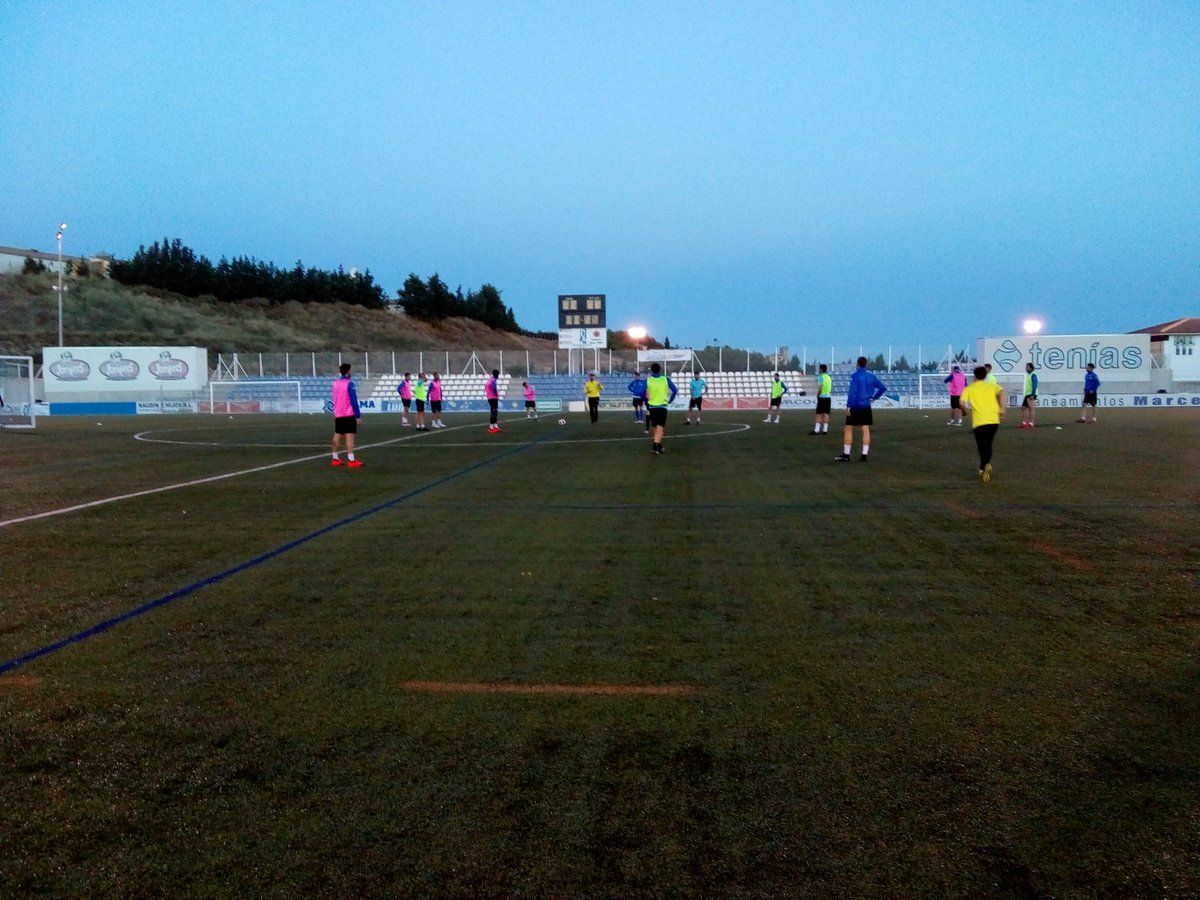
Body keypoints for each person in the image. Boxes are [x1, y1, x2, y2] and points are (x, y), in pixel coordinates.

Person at [960, 365, 1007, 482]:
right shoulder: (992, 386)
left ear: (974, 376)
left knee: (982, 446)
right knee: (989, 443)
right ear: (986, 375)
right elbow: (1002, 393)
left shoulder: (969, 389)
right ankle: (986, 464)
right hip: (993, 420)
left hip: (979, 422)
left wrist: (965, 410)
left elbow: (961, 402)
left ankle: (983, 466)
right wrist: (1002, 409)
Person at [835, 357, 887, 462]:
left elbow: (852, 392)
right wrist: (874, 397)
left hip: (855, 406)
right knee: (865, 430)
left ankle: (846, 455)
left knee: (848, 429)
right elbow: (883, 388)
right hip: (866, 406)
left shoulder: (855, 376)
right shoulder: (871, 376)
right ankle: (864, 456)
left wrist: (848, 406)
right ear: (866, 364)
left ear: (857, 364)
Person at [330, 362, 362, 468]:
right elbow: (353, 400)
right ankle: (351, 460)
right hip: (348, 413)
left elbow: (334, 399)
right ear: (348, 371)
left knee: (337, 435)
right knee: (349, 437)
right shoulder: (350, 384)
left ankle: (335, 459)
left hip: (338, 413)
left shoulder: (335, 384)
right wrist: (357, 415)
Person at [644, 362, 678, 455]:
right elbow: (675, 390)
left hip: (652, 407)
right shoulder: (665, 379)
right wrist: (670, 400)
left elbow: (640, 391)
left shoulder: (648, 380)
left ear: (651, 370)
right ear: (660, 370)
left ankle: (658, 445)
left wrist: (646, 398)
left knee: (655, 426)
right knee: (660, 427)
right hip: (662, 407)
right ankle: (656, 445)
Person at [811, 364, 832, 435]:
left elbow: (820, 387)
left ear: (821, 369)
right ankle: (825, 430)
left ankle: (816, 430)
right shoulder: (829, 377)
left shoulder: (821, 377)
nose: (819, 370)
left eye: (819, 369)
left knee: (818, 414)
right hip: (828, 397)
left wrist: (818, 394)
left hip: (822, 397)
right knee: (825, 413)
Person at [1020, 362, 1038, 429]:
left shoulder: (1033, 375)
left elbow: (1035, 385)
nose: (1026, 368)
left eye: (1027, 367)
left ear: (1031, 368)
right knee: (1023, 407)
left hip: (1031, 394)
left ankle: (1031, 423)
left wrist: (1032, 394)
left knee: (1031, 408)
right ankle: (1025, 423)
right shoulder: (1028, 375)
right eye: (1026, 367)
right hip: (1028, 394)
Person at [485, 368, 501, 433]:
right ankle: (491, 427)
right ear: (496, 375)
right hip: (493, 398)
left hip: (490, 397)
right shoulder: (493, 380)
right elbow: (494, 388)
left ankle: (495, 426)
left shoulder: (489, 380)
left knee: (494, 411)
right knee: (494, 412)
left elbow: (485, 387)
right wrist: (496, 394)